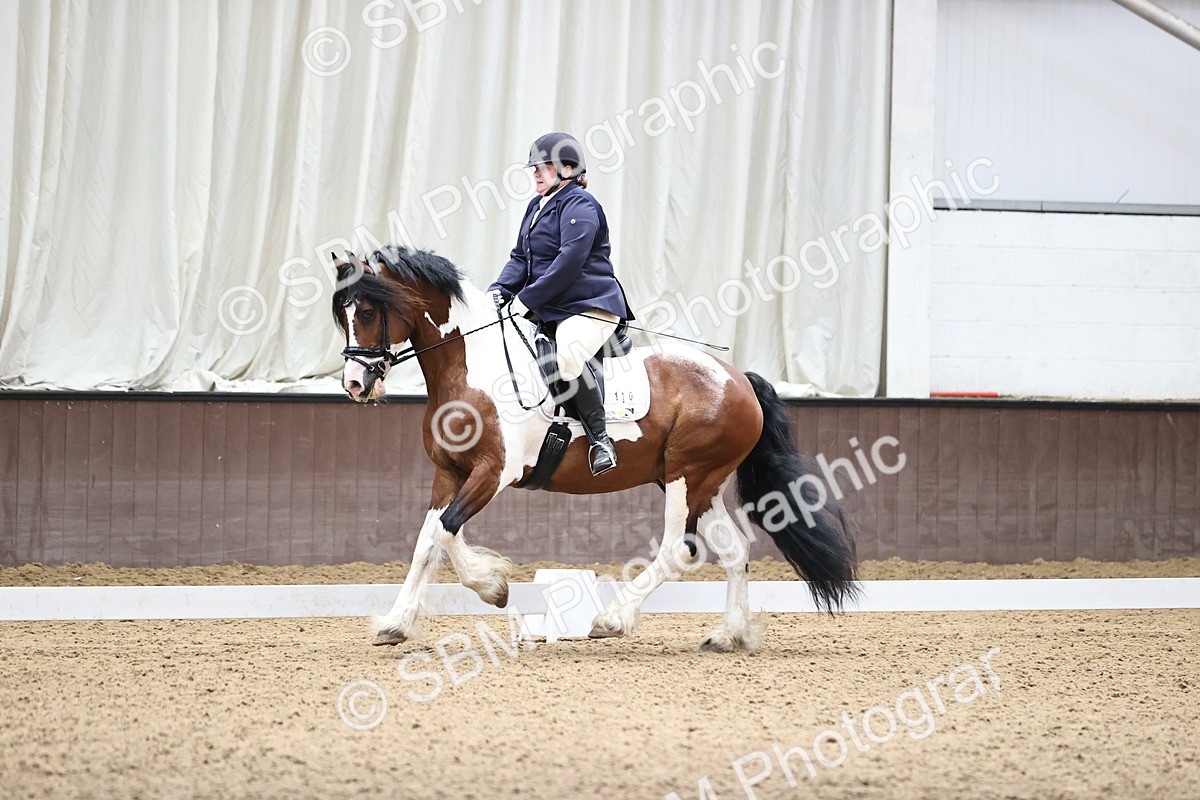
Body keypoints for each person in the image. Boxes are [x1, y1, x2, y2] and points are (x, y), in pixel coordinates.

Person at [489, 132, 634, 476]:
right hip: (552, 308)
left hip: (590, 306)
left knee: (567, 356)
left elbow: (568, 262)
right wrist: (498, 290)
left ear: (568, 169)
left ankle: (601, 441)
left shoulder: (581, 206)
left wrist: (525, 298)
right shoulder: (536, 207)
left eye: (543, 167)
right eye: (534, 168)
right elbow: (521, 258)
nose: (535, 174)